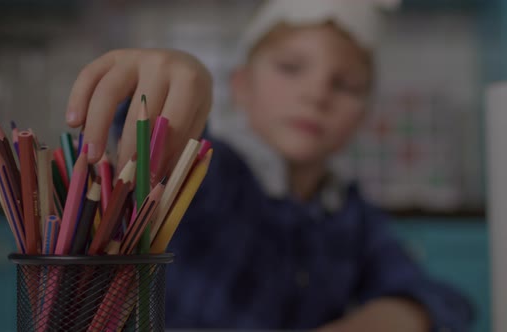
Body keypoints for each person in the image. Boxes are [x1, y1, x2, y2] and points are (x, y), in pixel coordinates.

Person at [65, 0, 472, 330]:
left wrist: (394, 316)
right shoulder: (214, 175)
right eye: (290, 68)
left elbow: (446, 301)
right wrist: (179, 75)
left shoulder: (353, 217)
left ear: (365, 113)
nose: (316, 93)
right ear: (241, 87)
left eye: (345, 85)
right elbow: (160, 140)